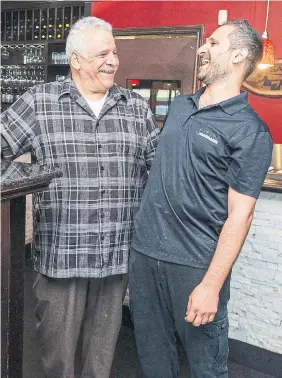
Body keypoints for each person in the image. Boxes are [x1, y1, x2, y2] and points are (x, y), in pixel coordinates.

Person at [1, 17, 159, 378]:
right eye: (103, 53)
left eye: (114, 52)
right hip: (62, 254)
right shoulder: (40, 102)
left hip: (116, 253)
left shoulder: (135, 108)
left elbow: (159, 168)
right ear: (75, 60)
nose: (113, 60)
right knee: (57, 358)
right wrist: (29, 181)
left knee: (100, 359)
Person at [129, 20, 273, 378]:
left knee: (206, 367)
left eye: (213, 42)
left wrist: (211, 285)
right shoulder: (180, 106)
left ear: (238, 55)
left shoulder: (250, 131)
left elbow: (241, 217)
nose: (201, 48)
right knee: (152, 359)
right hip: (145, 255)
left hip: (195, 267)